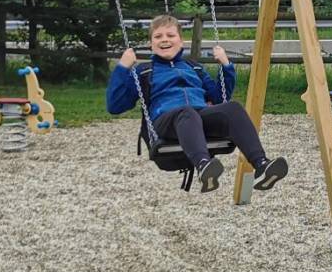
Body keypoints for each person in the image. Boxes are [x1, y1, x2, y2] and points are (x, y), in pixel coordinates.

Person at [105, 14, 288, 194]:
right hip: (166, 121)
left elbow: (218, 98)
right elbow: (115, 106)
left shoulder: (194, 68)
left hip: (197, 117)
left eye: (170, 35)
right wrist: (122, 67)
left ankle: (261, 164)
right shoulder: (144, 71)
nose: (164, 40)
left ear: (181, 42)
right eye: (158, 36)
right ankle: (204, 166)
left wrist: (226, 66)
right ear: (150, 44)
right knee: (186, 112)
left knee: (232, 108)